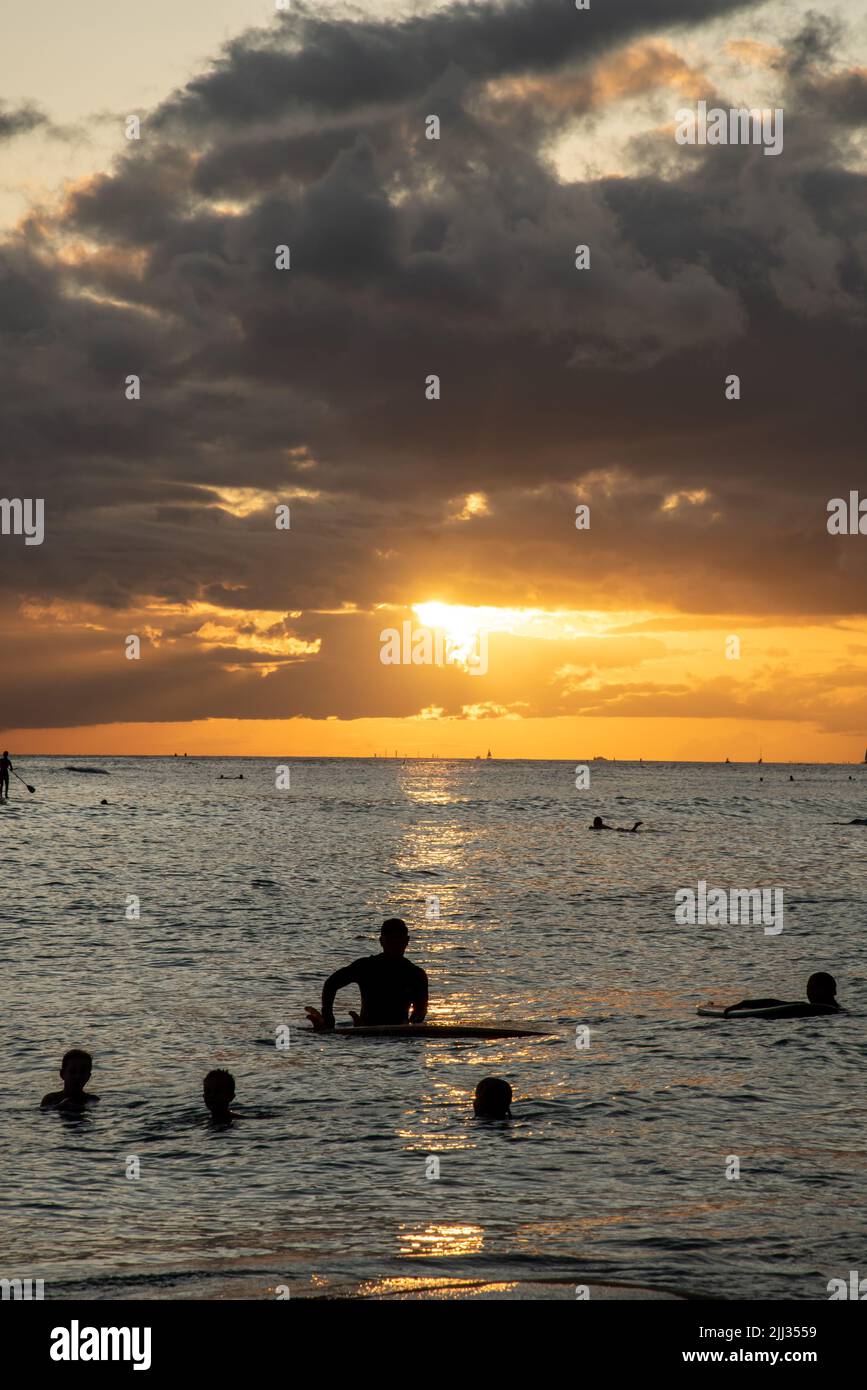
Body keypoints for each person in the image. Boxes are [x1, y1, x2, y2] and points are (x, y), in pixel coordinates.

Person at [306, 918, 428, 1029]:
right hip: (365, 1029)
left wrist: (411, 1025)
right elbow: (331, 983)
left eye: (398, 941)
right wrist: (328, 1016)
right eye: (391, 941)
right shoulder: (365, 967)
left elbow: (420, 1011)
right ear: (381, 941)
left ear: (406, 941)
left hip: (397, 1030)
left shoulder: (416, 975)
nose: (395, 946)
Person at [723, 972, 842, 1018]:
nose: (810, 992)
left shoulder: (806, 1009)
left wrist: (746, 1003)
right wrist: (747, 1003)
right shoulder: (840, 1012)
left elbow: (780, 1004)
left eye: (816, 988)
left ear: (833, 991)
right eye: (809, 988)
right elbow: (778, 1004)